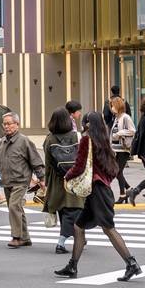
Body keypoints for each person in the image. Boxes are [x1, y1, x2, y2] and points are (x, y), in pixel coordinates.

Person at [54, 112, 141, 282]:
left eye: (84, 122)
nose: (82, 125)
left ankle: (131, 264)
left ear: (88, 124)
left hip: (97, 192)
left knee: (108, 228)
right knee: (79, 226)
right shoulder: (104, 141)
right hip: (101, 189)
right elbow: (114, 169)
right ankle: (72, 265)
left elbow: (79, 166)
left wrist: (67, 176)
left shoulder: (87, 140)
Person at [0, 111, 44, 249]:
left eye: (9, 124)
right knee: (17, 208)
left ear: (17, 124)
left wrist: (41, 178)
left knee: (14, 206)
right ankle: (25, 237)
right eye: (4, 124)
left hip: (21, 180)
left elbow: (36, 161)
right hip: (7, 180)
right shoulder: (1, 143)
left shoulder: (24, 141)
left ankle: (16, 237)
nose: (7, 127)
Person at [43, 107, 84, 254]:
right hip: (74, 177)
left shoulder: (49, 139)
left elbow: (48, 164)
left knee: (63, 209)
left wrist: (46, 183)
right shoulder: (76, 136)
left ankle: (79, 237)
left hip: (56, 179)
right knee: (73, 209)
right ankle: (61, 242)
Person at [108, 96, 135, 199]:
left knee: (118, 172)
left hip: (123, 149)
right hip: (115, 149)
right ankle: (129, 189)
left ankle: (123, 194)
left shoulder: (125, 117)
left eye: (113, 106)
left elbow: (133, 131)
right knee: (116, 171)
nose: (111, 108)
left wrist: (120, 133)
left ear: (118, 106)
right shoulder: (116, 118)